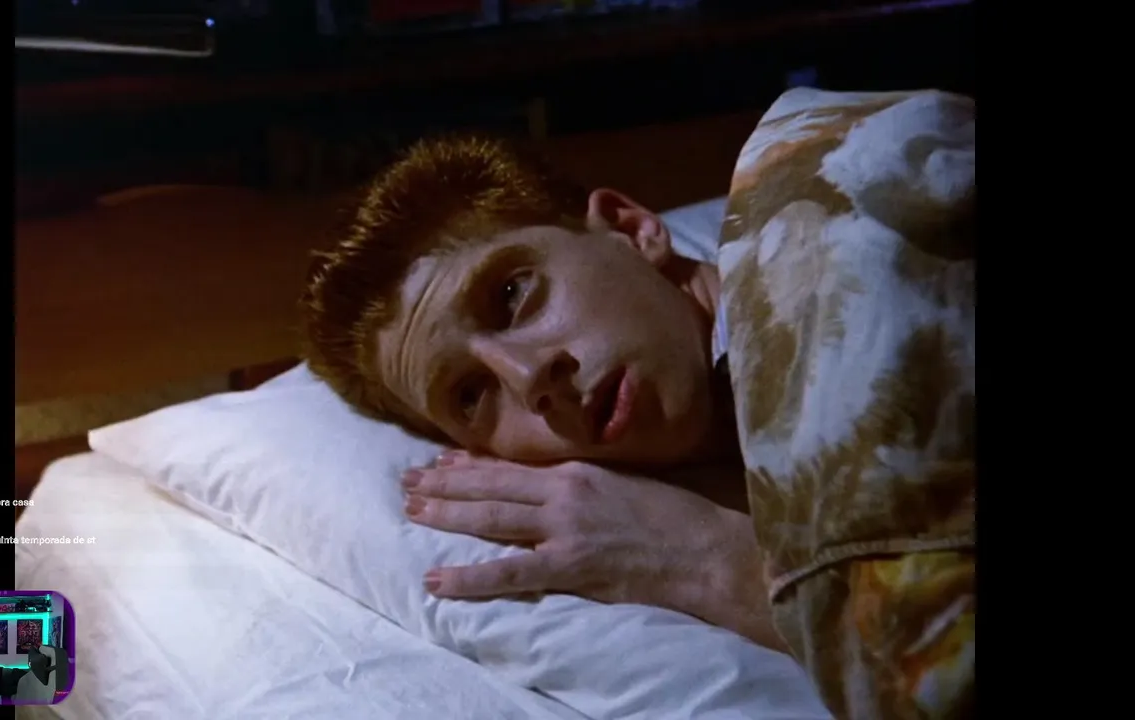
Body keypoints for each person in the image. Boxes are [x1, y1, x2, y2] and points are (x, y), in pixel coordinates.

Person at [301, 87, 974, 720]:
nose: (530, 378)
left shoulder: (824, 219)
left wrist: (702, 559)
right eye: (470, 395)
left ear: (632, 228)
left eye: (512, 294)